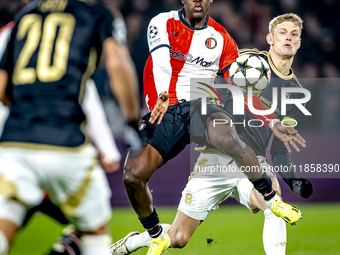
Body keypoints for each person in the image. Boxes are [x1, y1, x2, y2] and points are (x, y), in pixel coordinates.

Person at [109, 13, 313, 255]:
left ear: (300, 42)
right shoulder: (247, 61)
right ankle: (137, 240)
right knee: (178, 238)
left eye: (294, 34)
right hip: (216, 158)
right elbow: (209, 81)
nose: (288, 38)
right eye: (282, 32)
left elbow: (280, 151)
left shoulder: (296, 94)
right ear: (270, 38)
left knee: (273, 199)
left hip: (252, 161)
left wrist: (293, 180)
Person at [0, 0, 140, 254]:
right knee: (94, 229)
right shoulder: (95, 13)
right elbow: (117, 65)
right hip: (65, 141)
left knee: (7, 216)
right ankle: (70, 246)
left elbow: (2, 86)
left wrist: (28, 111)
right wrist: (131, 122)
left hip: (14, 141)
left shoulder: (24, 16)